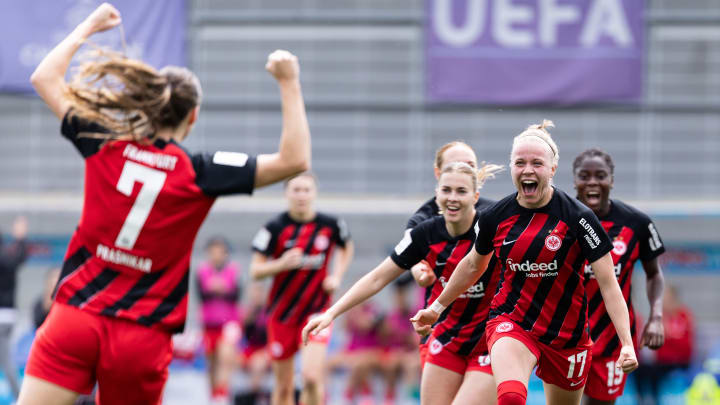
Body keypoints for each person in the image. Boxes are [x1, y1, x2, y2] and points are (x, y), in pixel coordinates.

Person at [22, 3, 311, 405]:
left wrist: (89, 25)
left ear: (147, 106)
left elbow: (44, 77)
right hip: (141, 336)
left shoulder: (105, 140)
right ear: (192, 118)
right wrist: (289, 81)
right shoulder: (201, 171)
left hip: (76, 318)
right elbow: (294, 160)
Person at [411, 121, 639, 405]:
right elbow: (472, 265)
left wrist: (627, 344)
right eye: (520, 163)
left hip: (566, 336)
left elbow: (608, 284)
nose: (528, 170)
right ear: (511, 168)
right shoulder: (495, 217)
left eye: (537, 163)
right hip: (512, 322)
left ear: (553, 169)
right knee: (510, 397)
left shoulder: (579, 218)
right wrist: (435, 309)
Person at [303, 161, 501, 405]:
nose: (453, 198)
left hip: (489, 343)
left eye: (461, 191)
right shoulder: (423, 234)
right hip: (447, 339)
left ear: (476, 196)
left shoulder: (492, 229)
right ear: (437, 193)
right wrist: (331, 313)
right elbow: (377, 278)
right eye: (446, 190)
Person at [250, 172, 354, 405]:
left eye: (306, 190)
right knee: (284, 386)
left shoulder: (330, 224)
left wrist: (336, 276)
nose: (301, 195)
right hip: (281, 314)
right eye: (296, 190)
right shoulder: (274, 228)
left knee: (310, 377)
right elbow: (255, 270)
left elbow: (347, 247)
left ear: (314, 193)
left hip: (317, 312)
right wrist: (280, 264)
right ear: (287, 193)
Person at [572, 148, 666, 405]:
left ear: (611, 180)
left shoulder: (636, 223)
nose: (592, 182)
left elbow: (654, 274)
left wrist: (656, 317)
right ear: (574, 181)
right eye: (585, 175)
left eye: (600, 175)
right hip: (566, 336)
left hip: (614, 340)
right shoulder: (562, 220)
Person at [405, 142, 500, 368]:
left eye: (470, 165)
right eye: (455, 165)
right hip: (440, 325)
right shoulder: (422, 221)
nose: (463, 171)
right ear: (439, 173)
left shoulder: (494, 215)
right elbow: (408, 259)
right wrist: (418, 270)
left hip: (486, 331)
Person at [196, 236, 243, 403]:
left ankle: (222, 395)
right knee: (212, 362)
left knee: (225, 357)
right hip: (209, 323)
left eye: (220, 251)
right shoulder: (202, 271)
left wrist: (221, 289)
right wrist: (213, 289)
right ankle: (214, 395)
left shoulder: (233, 270)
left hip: (229, 322)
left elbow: (236, 295)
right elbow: (201, 295)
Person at [635, 285, 695, 405]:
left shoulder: (684, 316)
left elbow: (686, 346)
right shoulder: (659, 318)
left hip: (680, 362)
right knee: (641, 370)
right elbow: (655, 345)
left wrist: (669, 337)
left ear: (674, 298)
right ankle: (646, 400)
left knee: (657, 374)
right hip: (662, 362)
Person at [0, 216, 29, 400]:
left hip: (3, 316)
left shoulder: (3, 256)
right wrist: (20, 239)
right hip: (7, 316)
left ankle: (20, 397)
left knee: (5, 358)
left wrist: (20, 239)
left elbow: (16, 258)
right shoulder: (6, 255)